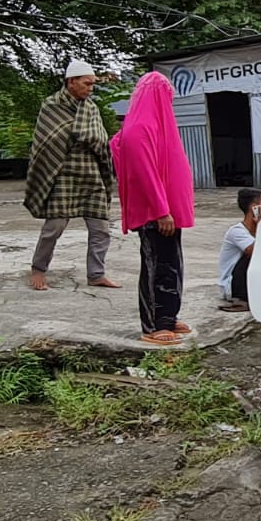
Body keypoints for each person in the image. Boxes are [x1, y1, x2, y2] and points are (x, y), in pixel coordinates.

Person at [110, 72, 196, 346]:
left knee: (171, 266)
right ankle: (153, 324)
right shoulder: (139, 129)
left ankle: (168, 317)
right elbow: (144, 174)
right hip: (155, 215)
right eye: (166, 96)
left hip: (167, 212)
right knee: (155, 267)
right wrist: (161, 210)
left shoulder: (155, 126)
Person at [24, 60, 117, 291]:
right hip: (62, 173)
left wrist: (89, 139)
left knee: (101, 228)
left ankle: (96, 274)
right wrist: (81, 136)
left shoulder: (91, 108)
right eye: (87, 83)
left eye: (93, 84)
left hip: (90, 172)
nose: (90, 88)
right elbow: (47, 142)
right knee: (53, 227)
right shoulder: (51, 105)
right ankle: (38, 269)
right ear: (71, 82)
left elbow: (100, 139)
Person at [218, 188, 261, 312]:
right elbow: (257, 252)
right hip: (232, 286)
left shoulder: (257, 233)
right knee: (253, 255)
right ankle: (241, 299)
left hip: (246, 282)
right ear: (255, 208)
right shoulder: (237, 231)